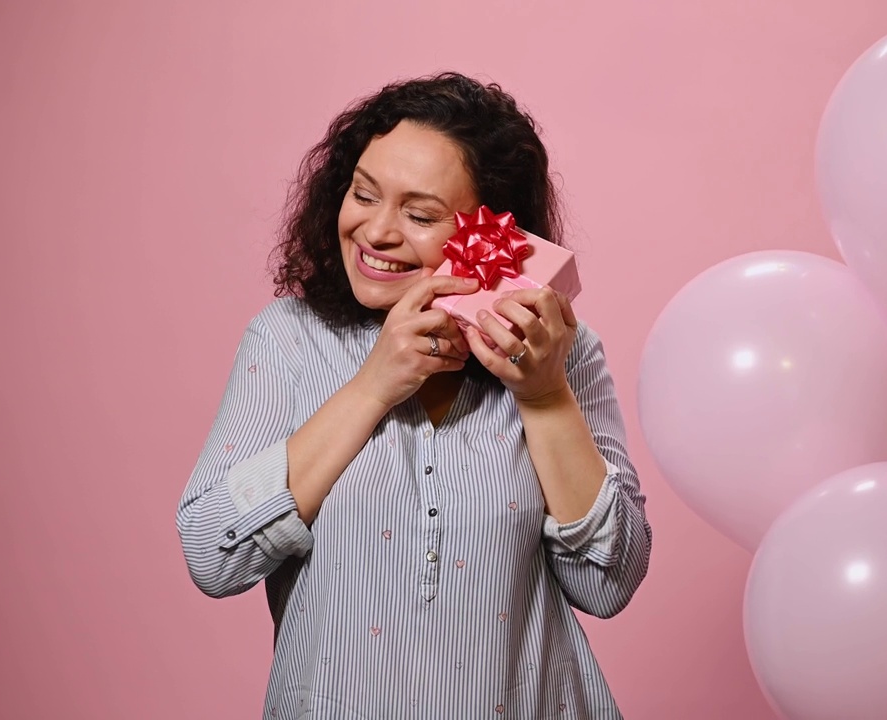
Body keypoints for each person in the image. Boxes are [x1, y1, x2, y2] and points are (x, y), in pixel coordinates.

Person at [175, 72, 652, 719]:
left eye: (420, 214)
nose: (376, 232)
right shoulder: (287, 340)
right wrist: (374, 385)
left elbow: (607, 582)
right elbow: (212, 556)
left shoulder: (561, 351)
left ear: (493, 237)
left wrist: (542, 396)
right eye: (363, 194)